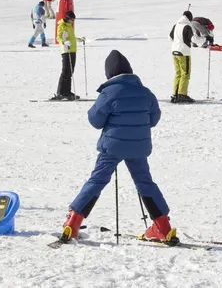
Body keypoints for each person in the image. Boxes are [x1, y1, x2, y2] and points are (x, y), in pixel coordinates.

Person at [59, 50, 175, 243]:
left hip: (112, 147)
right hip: (138, 148)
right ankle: (162, 226)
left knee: (97, 181)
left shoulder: (109, 93)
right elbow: (153, 119)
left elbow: (95, 120)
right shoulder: (146, 92)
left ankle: (72, 223)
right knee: (145, 183)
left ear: (110, 74)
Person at [168, 11, 205, 103]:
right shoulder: (187, 27)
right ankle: (182, 94)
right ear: (190, 18)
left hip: (174, 52)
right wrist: (204, 39)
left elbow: (170, 37)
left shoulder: (175, 25)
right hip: (184, 53)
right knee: (185, 73)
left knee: (178, 73)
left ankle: (175, 94)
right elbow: (194, 39)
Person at [52, 11, 79, 100]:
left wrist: (77, 39)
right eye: (72, 19)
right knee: (65, 71)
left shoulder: (69, 26)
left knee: (70, 72)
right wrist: (64, 42)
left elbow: (70, 37)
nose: (73, 21)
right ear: (68, 18)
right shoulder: (61, 26)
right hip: (66, 50)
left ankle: (67, 92)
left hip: (72, 50)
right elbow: (58, 37)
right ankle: (60, 92)